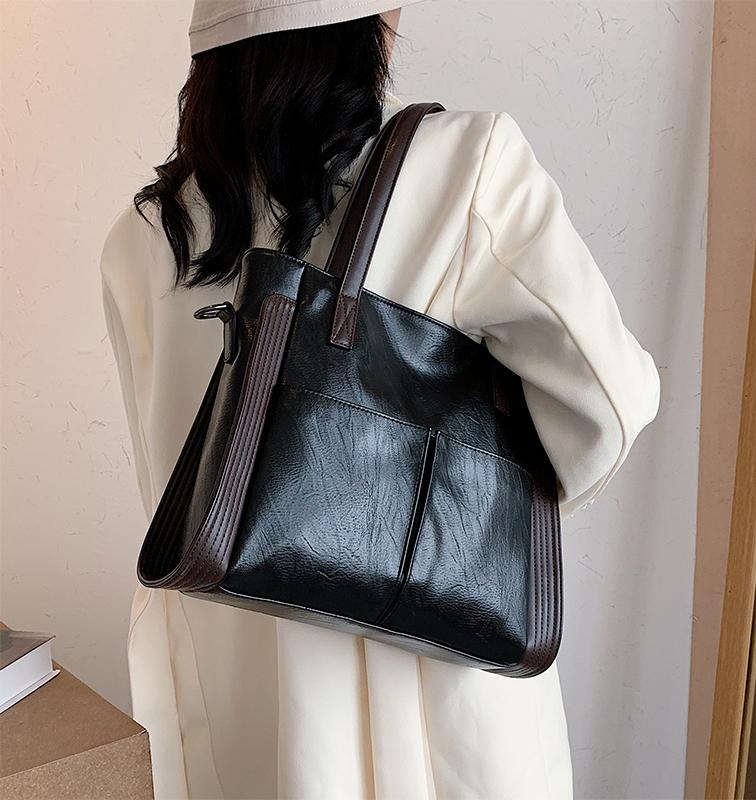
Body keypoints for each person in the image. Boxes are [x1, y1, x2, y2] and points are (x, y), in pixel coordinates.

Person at [100, 1, 661, 797]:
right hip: (430, 709)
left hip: (235, 706)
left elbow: (171, 486)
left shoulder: (147, 232)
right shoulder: (465, 168)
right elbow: (610, 409)